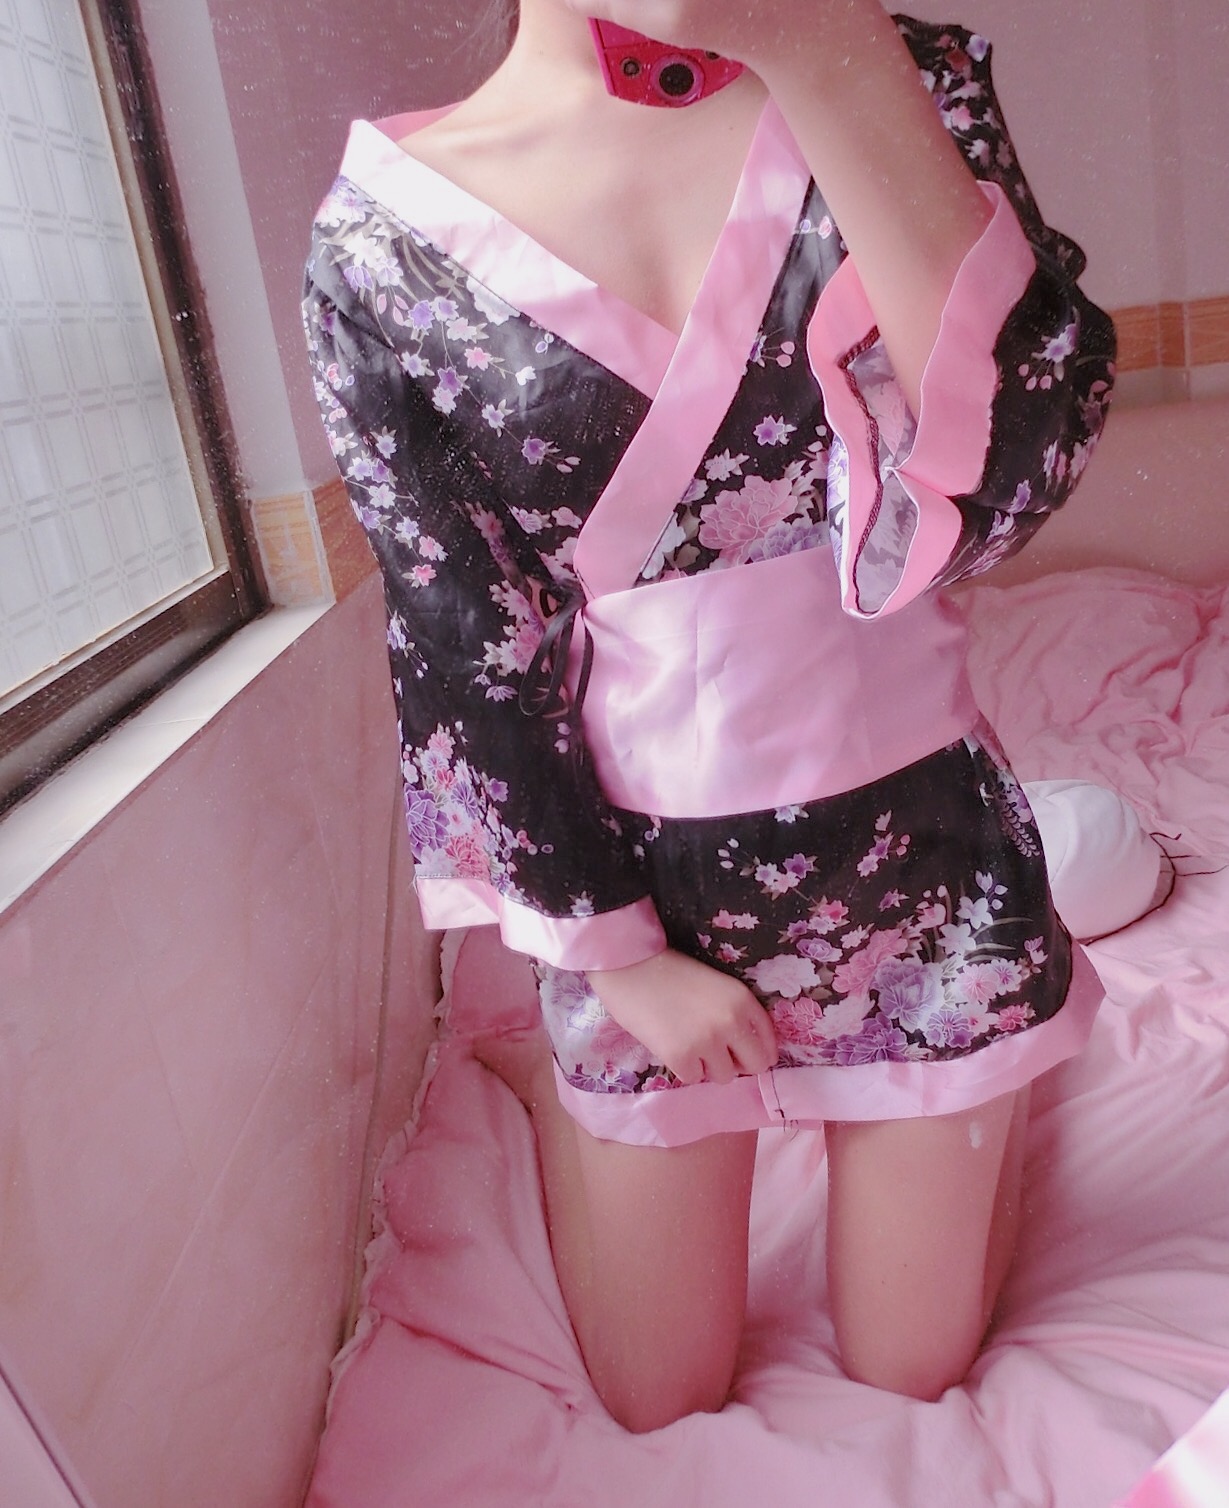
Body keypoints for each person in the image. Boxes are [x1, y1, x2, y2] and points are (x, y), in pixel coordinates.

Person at [303, 0, 1117, 1432]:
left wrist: (823, 50)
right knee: (656, 1397)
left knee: (911, 1372)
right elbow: (461, 636)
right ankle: (550, 1065)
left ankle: (990, 1059)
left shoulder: (893, 72)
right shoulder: (381, 243)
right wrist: (616, 961)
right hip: (643, 895)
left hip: (928, 862)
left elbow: (1020, 470)